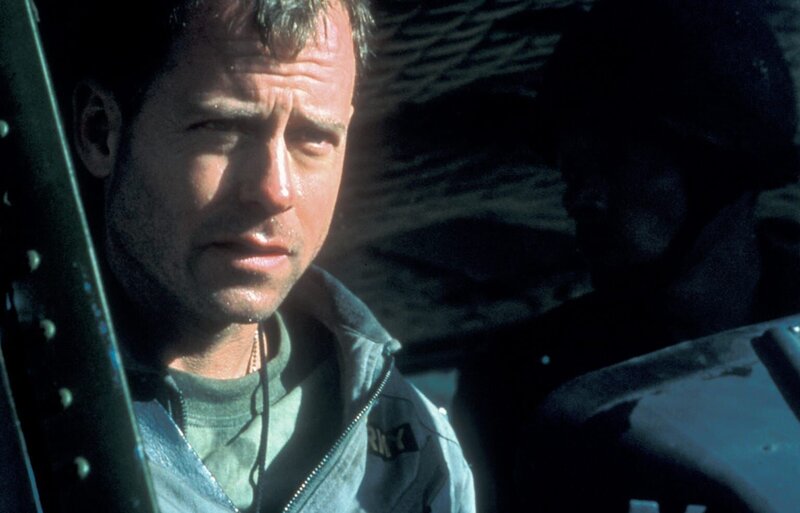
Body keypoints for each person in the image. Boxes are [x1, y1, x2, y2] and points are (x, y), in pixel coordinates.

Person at [37, 0, 475, 511]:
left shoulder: (412, 450)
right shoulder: (26, 413)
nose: (274, 190)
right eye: (223, 128)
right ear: (99, 131)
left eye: (313, 139)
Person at [451, 0, 800, 510]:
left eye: (615, 160)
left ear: (719, 166)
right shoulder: (521, 387)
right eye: (572, 171)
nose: (579, 197)